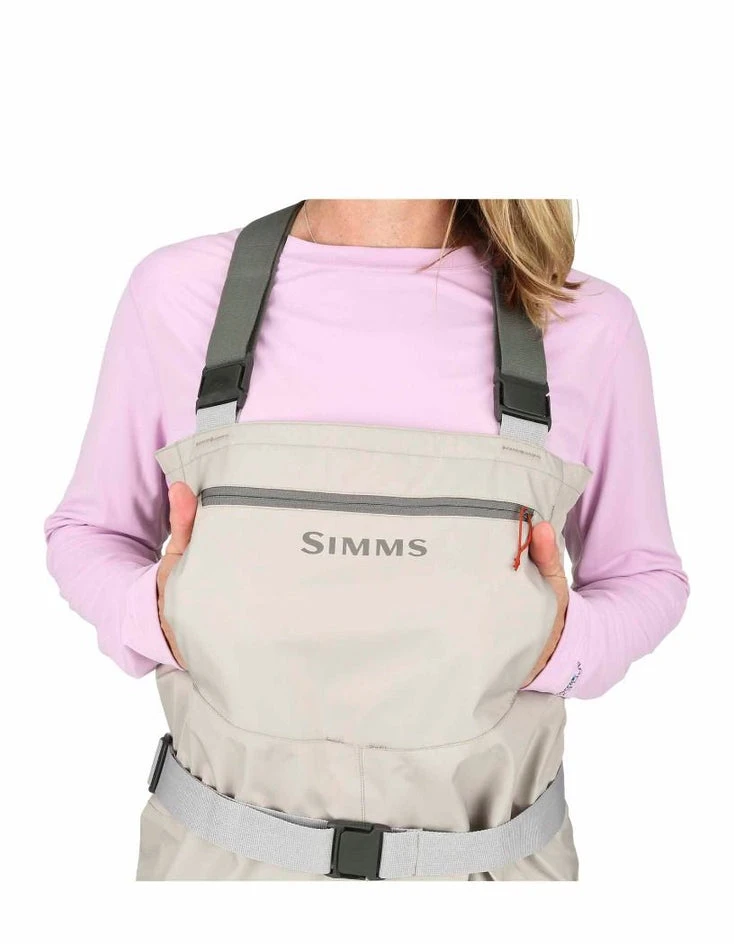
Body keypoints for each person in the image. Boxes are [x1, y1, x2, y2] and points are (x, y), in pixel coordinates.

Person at [45, 200, 688, 880]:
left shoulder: (580, 318)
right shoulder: (179, 292)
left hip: (489, 871)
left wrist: (565, 647)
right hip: (216, 869)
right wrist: (158, 615)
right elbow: (89, 531)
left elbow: (646, 575)